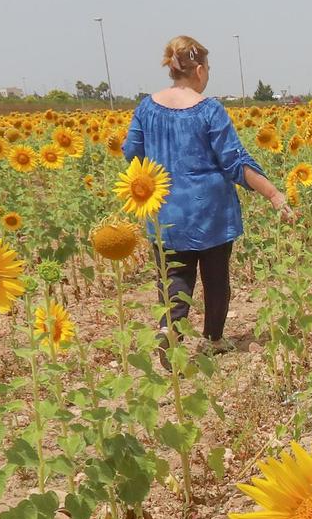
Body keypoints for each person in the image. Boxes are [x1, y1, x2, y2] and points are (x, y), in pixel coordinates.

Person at [122, 35, 295, 352]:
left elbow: (131, 151)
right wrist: (273, 194)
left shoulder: (146, 109)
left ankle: (169, 333)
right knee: (216, 280)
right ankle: (214, 339)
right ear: (199, 69)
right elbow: (235, 161)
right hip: (210, 213)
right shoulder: (209, 110)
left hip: (165, 210)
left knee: (173, 277)